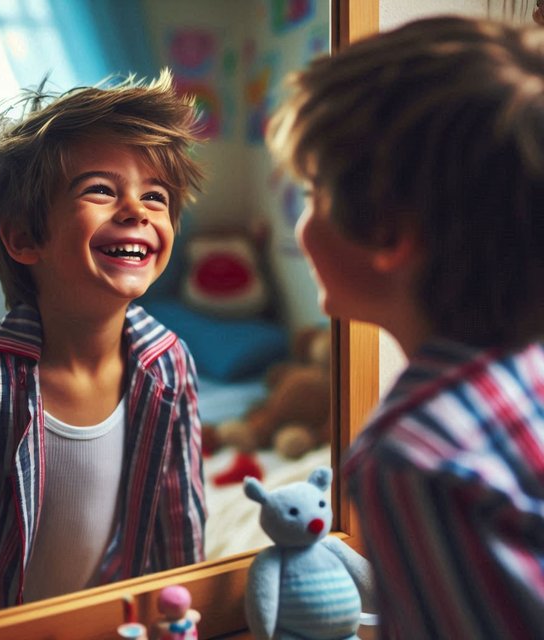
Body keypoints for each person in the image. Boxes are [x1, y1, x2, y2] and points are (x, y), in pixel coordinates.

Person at [267, 15, 544, 639]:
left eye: (313, 192)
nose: (301, 223)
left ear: (386, 233)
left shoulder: (413, 461)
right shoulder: (528, 370)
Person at [0, 69, 207, 613]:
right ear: (24, 237)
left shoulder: (170, 365)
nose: (137, 209)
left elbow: (178, 521)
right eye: (101, 190)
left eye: (156, 196)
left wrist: (178, 616)